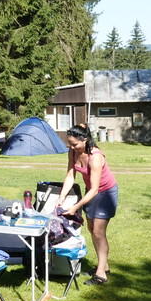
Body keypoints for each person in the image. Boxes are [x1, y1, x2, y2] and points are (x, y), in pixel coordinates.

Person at [54, 122, 118, 285]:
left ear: (85, 140)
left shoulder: (95, 157)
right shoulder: (73, 151)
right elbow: (70, 174)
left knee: (98, 231)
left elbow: (95, 189)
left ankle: (101, 274)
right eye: (70, 143)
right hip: (91, 191)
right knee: (91, 229)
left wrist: (75, 207)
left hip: (105, 193)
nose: (72, 147)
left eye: (74, 144)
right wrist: (62, 196)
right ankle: (104, 266)